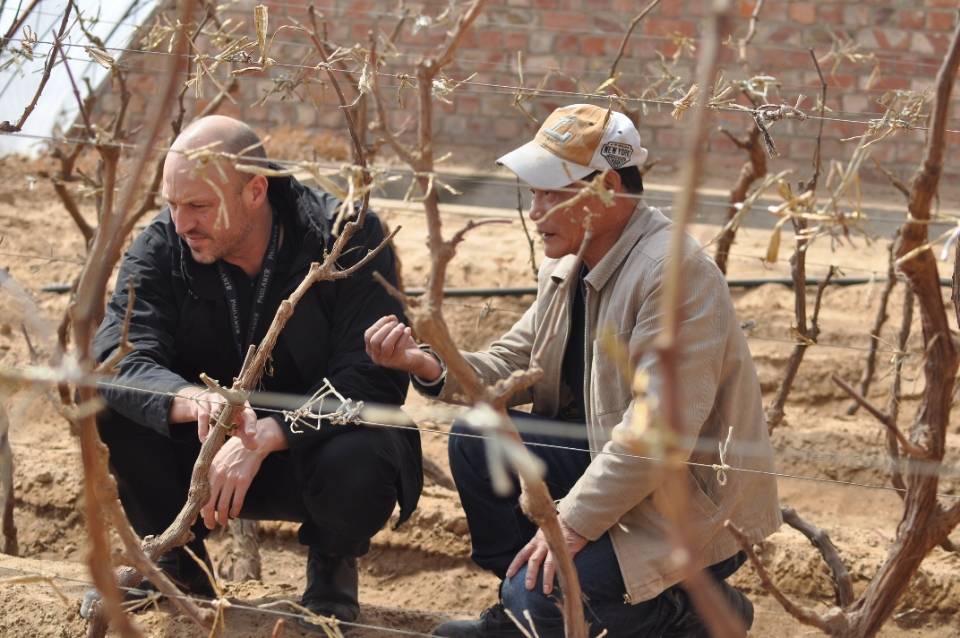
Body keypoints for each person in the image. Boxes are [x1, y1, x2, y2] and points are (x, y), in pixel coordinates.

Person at [364, 104, 781, 637]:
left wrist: (573, 523)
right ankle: (522, 607)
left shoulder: (673, 274)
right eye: (533, 192)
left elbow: (657, 432)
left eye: (550, 193)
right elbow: (515, 363)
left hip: (684, 506)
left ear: (606, 187)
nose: (535, 211)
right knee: (477, 437)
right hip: (608, 464)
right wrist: (425, 362)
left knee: (551, 593)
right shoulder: (567, 264)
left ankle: (700, 612)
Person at [93, 115, 422, 624]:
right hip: (202, 453)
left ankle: (332, 572)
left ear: (254, 191)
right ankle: (180, 565)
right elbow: (117, 356)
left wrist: (276, 431)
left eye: (198, 206)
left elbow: (371, 375)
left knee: (367, 442)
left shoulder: (344, 235)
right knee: (116, 411)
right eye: (172, 204)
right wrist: (189, 400)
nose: (182, 224)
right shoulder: (162, 244)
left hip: (312, 458)